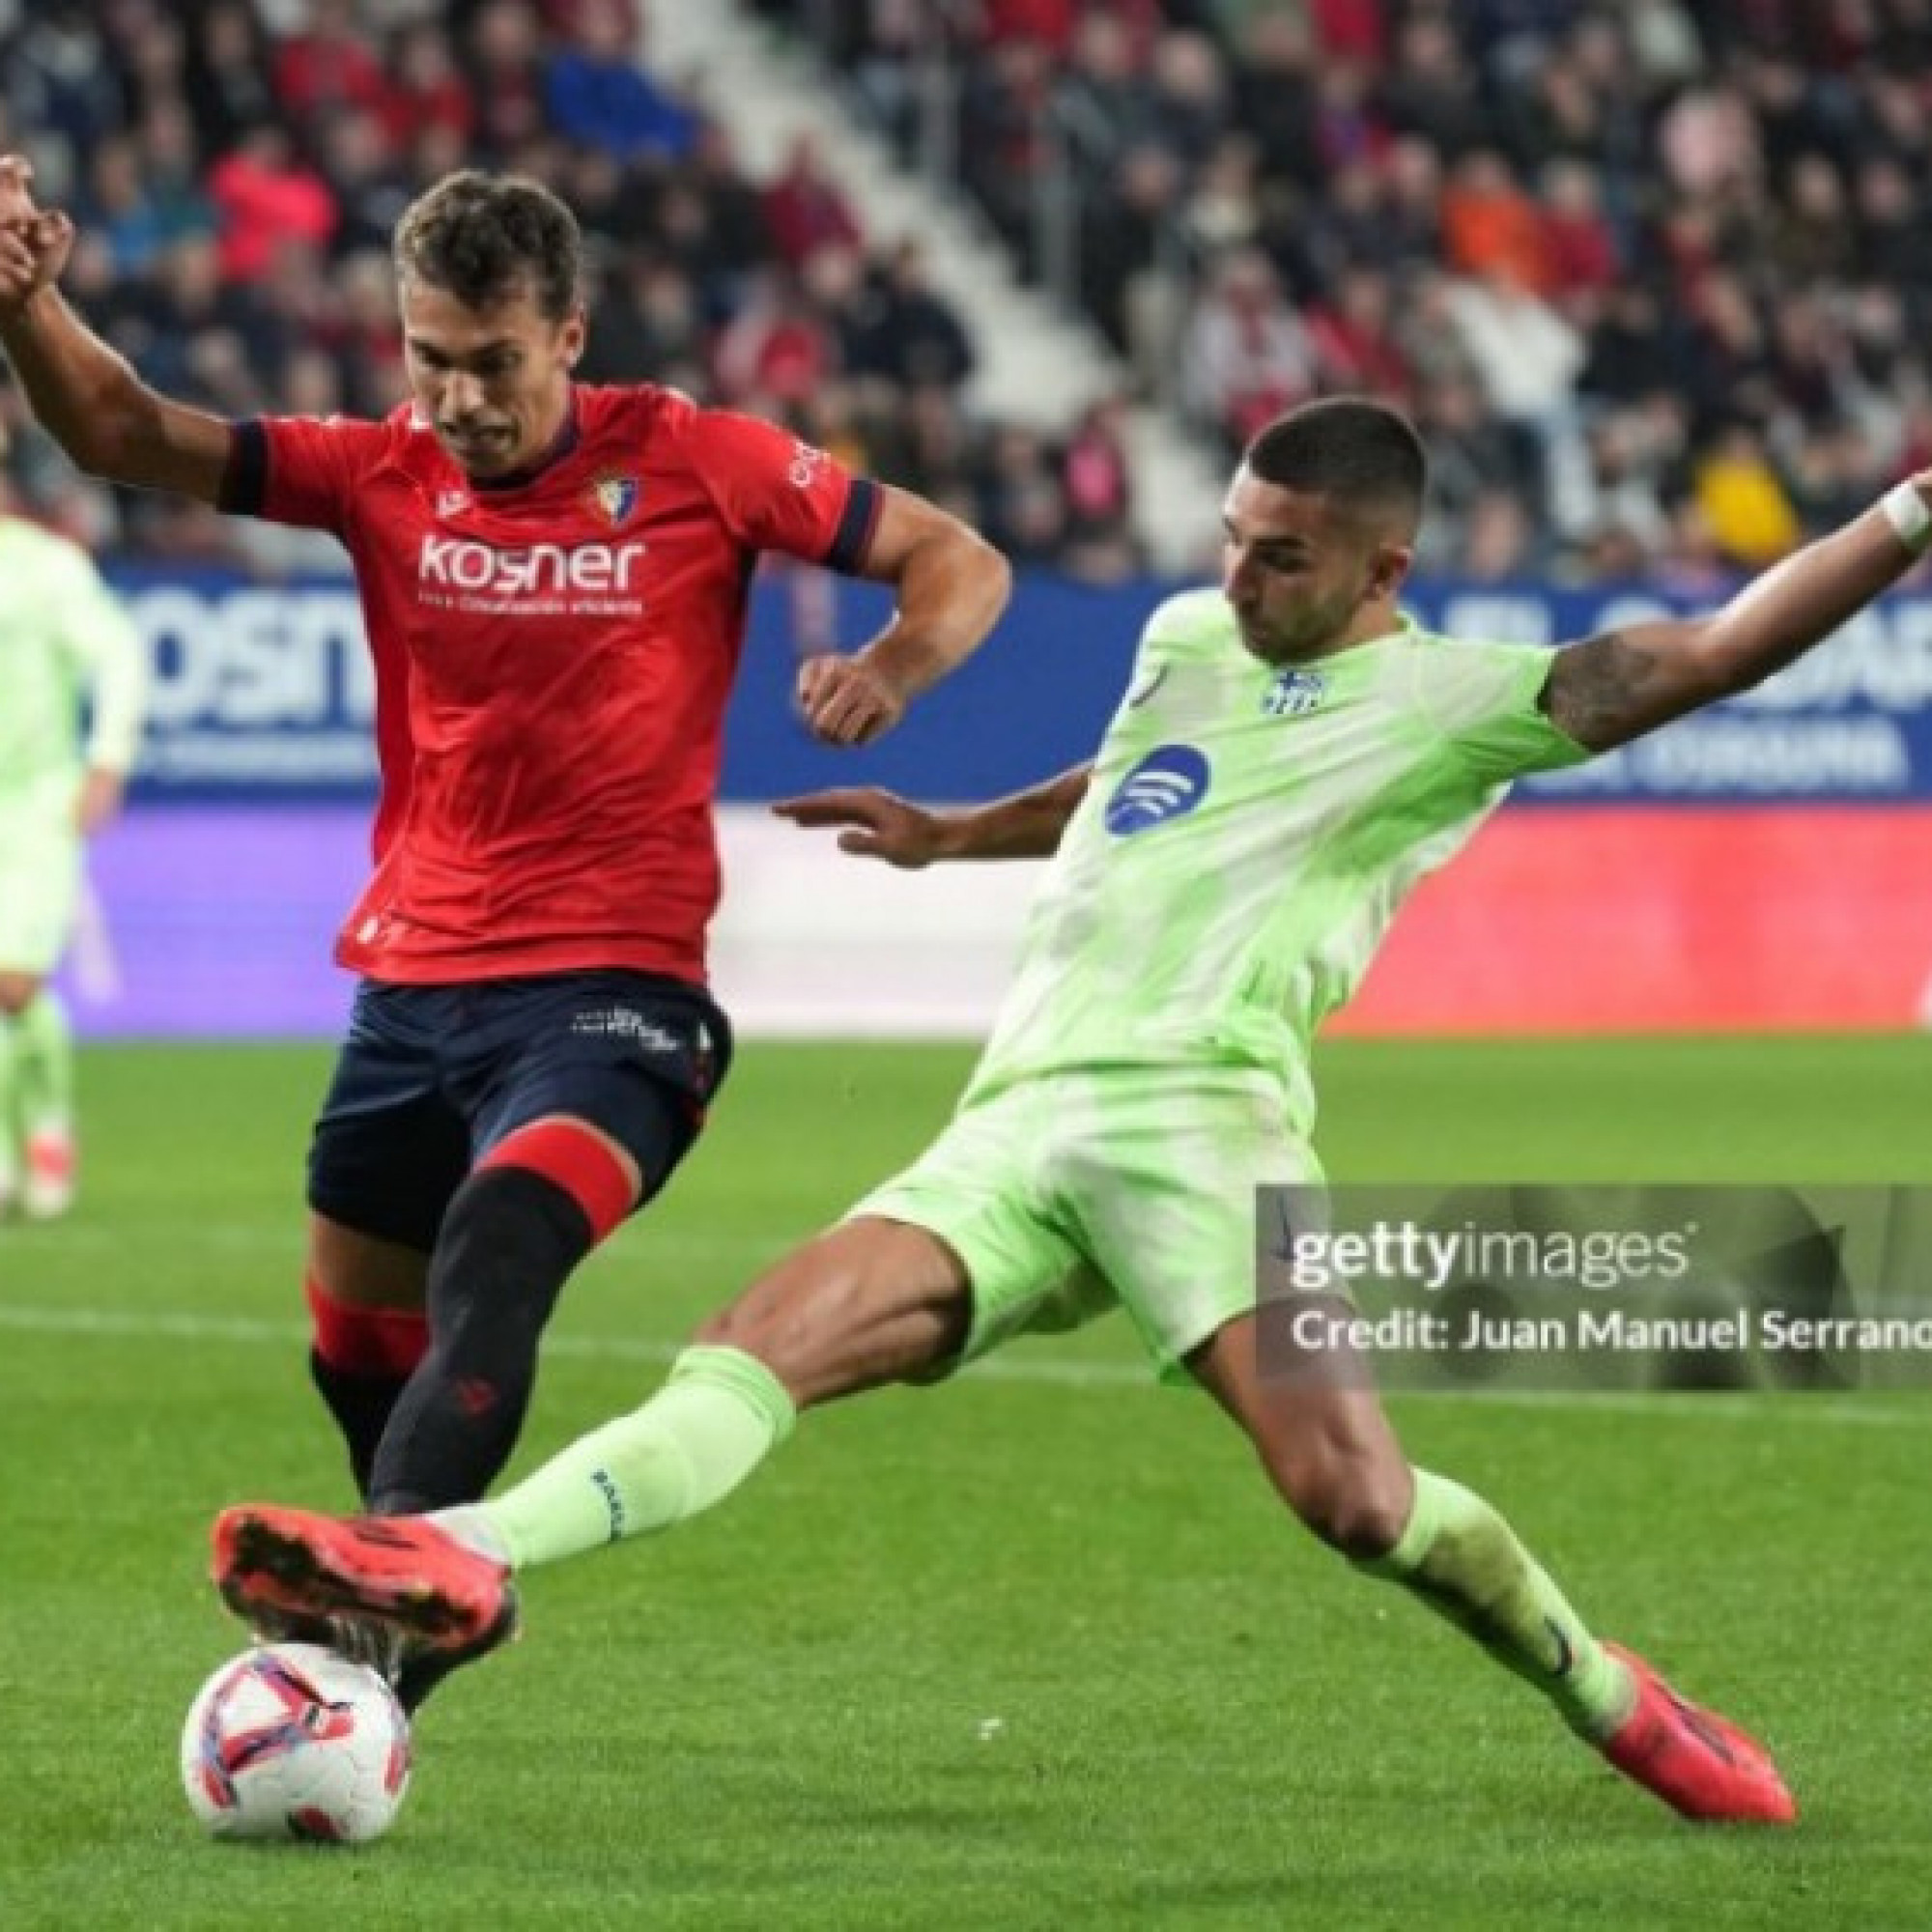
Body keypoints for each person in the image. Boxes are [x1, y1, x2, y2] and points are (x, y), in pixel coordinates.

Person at [200, 390, 1908, 1824]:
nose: (1236, 572)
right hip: (1017, 1119)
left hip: (1208, 1132)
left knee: (1358, 1507)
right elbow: (1138, 794)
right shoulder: (1186, 637)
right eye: (1232, 533)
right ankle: (456, 1558)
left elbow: (1718, 647)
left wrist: (1910, 511)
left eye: (1281, 555)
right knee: (754, 1343)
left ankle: (1610, 1690)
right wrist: (957, 832)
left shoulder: (1458, 704)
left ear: (1385, 568)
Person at [0, 156, 1009, 1698]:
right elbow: (123, 431)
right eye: (430, 357)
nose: (459, 398)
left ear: (569, 337)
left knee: (502, 1238)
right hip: (409, 991)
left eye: (494, 363)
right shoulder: (376, 471)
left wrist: (895, 666)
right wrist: (26, 307)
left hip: (616, 999)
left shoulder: (697, 459)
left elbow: (960, 558)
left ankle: (383, 1621)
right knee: (354, 1348)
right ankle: (430, 1565)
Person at [0, 416, 147, 1220]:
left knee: (14, 984)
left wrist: (107, 758)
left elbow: (116, 654)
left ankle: (48, 1124)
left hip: (32, 805)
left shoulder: (43, 569)